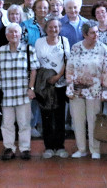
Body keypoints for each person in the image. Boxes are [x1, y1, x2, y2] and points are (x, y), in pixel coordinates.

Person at [0, 24, 39, 160]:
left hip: (23, 93)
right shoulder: (0, 51)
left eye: (16, 32)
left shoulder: (29, 50)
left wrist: (31, 88)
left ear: (20, 35)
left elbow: (34, 70)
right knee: (7, 124)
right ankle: (9, 148)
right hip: (5, 94)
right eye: (11, 32)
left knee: (24, 123)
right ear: (6, 36)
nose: (14, 35)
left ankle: (25, 148)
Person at [65, 22, 107, 159]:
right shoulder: (76, 47)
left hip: (95, 89)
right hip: (77, 89)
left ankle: (95, 149)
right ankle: (81, 149)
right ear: (85, 34)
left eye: (97, 32)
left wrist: (105, 90)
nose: (96, 35)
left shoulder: (103, 48)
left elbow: (106, 70)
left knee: (93, 120)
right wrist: (69, 87)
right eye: (92, 33)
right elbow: (70, 68)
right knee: (78, 120)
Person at [35, 16, 71, 159]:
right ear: (46, 28)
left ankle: (60, 146)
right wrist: (46, 78)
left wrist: (58, 77)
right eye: (50, 27)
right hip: (44, 85)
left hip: (60, 84)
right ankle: (49, 147)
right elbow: (36, 62)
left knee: (60, 116)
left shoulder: (64, 41)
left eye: (56, 27)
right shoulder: (39, 42)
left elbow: (67, 60)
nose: (53, 29)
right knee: (46, 116)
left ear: (60, 28)